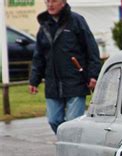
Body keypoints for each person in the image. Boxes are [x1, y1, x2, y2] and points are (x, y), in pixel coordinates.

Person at [29, 0, 101, 135]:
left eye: (54, 1)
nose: (50, 4)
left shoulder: (77, 21)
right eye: (47, 1)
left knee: (72, 123)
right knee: (53, 120)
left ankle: (71, 150)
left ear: (63, 2)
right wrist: (34, 79)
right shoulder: (44, 26)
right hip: (52, 83)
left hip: (75, 81)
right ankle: (66, 143)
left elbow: (91, 49)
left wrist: (93, 74)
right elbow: (38, 55)